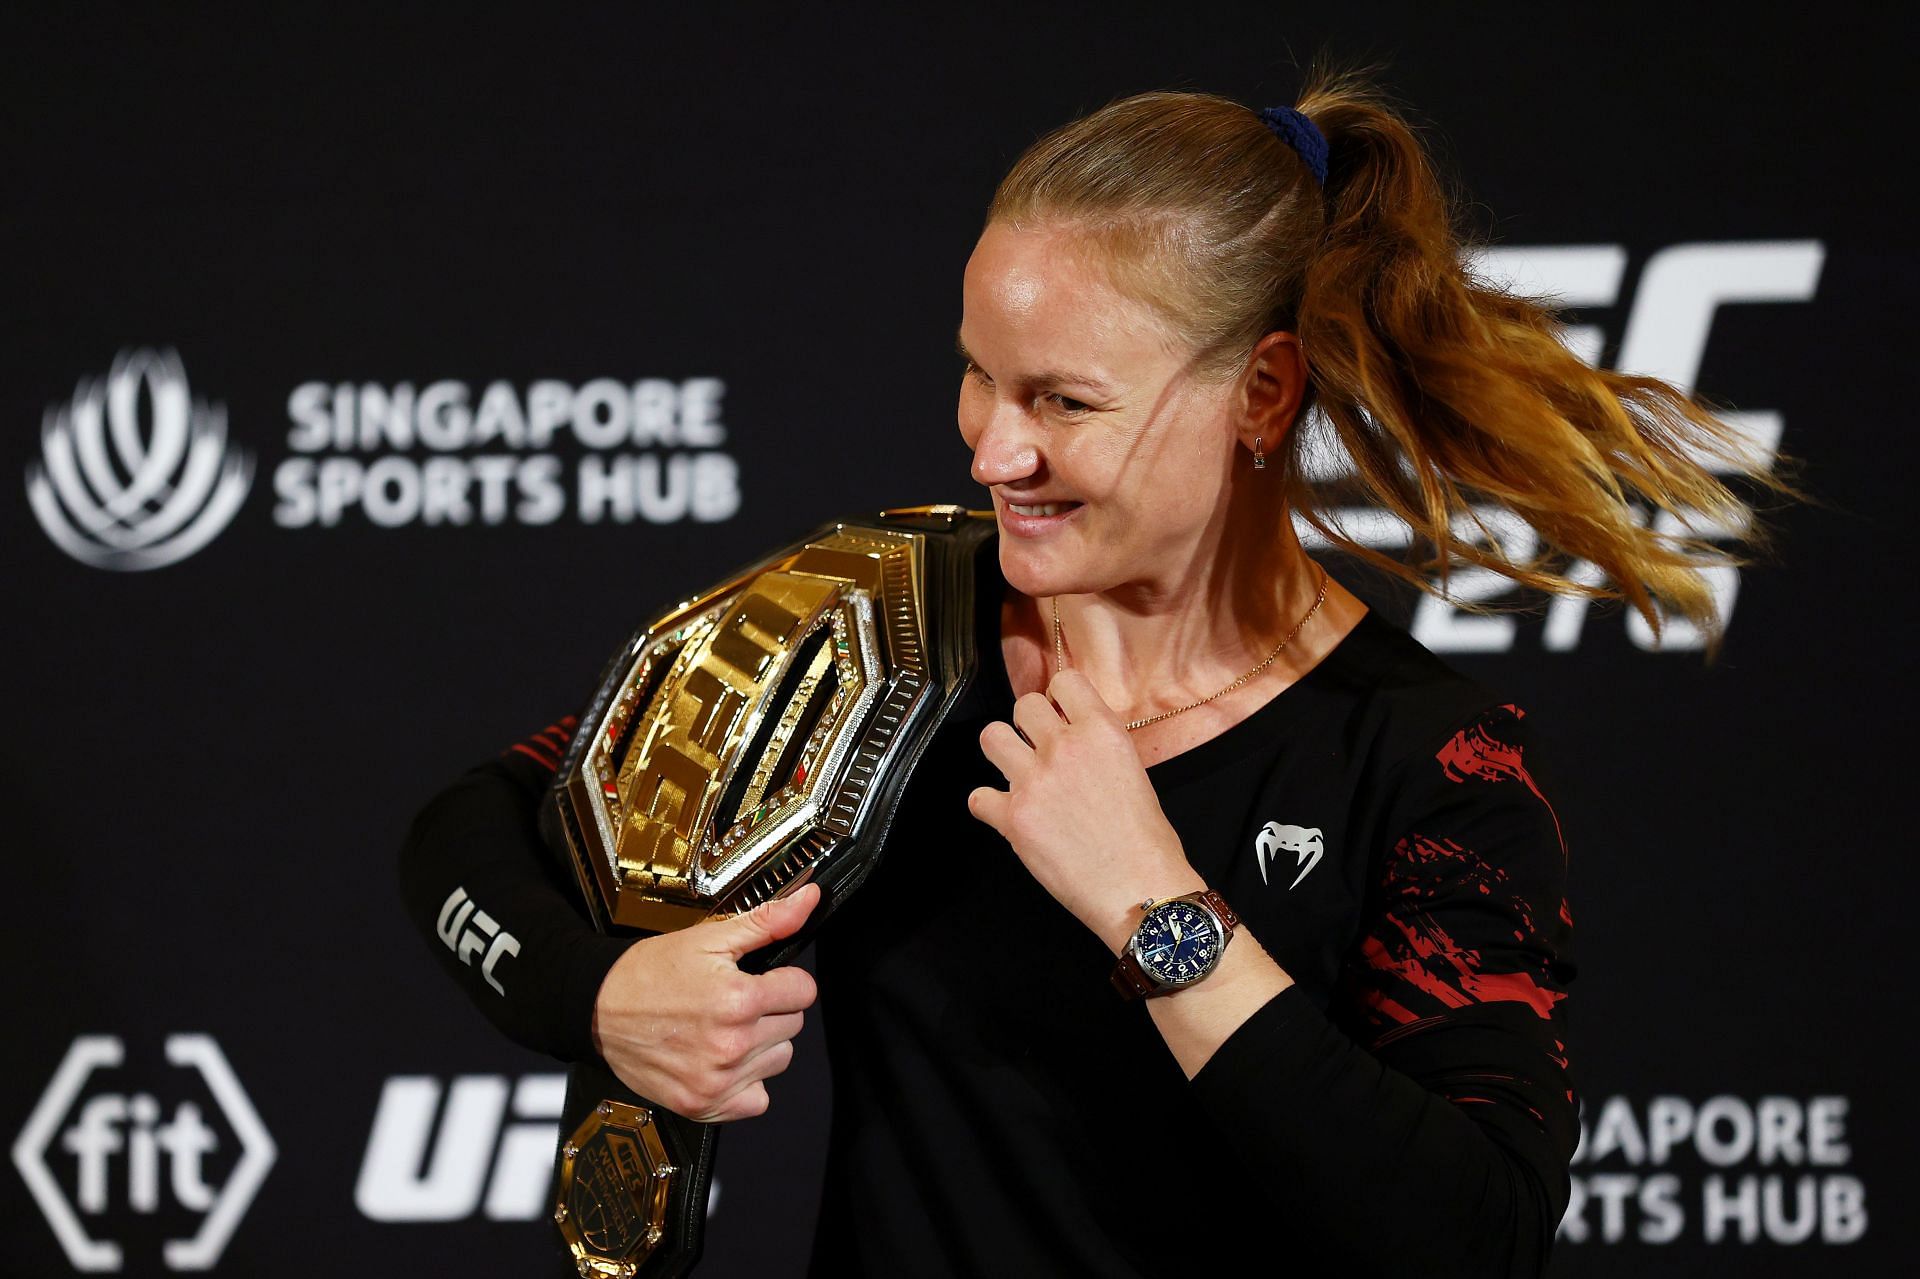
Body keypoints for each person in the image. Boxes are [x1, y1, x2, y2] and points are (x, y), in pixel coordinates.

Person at [399, 69, 1798, 1278]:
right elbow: (473, 833)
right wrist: (595, 996)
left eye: (1063, 401)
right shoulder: (887, 628)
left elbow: (1471, 1243)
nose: (990, 451)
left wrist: (1155, 908)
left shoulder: (1429, 759)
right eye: (976, 376)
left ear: (1260, 393)